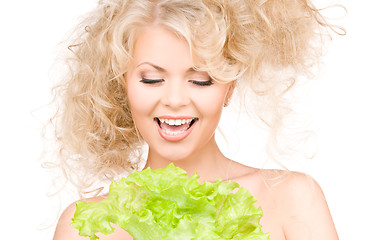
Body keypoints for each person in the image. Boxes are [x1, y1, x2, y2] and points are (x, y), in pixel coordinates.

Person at [51, 0, 341, 239]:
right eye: (152, 80)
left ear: (229, 88)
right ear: (122, 85)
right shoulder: (85, 227)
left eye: (200, 80)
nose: (175, 100)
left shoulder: (292, 199)